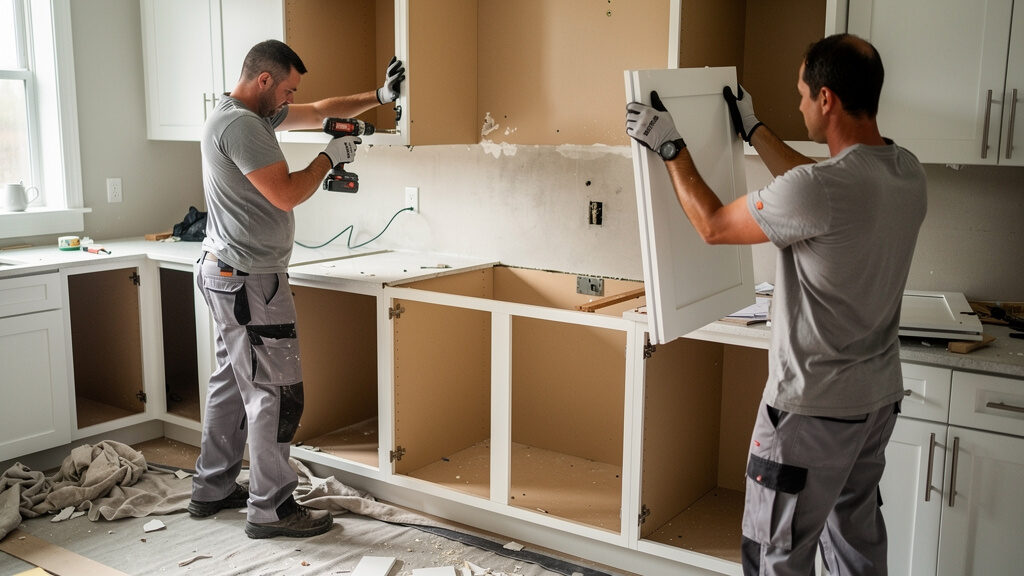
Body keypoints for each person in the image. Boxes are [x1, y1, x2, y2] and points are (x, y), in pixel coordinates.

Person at [626, 34, 927, 575]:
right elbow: (814, 186)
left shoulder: (820, 190)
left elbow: (715, 226)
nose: (800, 105)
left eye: (803, 95)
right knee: (854, 548)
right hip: (875, 403)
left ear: (827, 99)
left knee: (776, 555)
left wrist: (672, 148)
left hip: (810, 413)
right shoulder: (906, 172)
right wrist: (755, 129)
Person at [187, 39, 405, 539]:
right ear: (263, 80)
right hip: (249, 280)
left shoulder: (248, 115)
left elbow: (322, 110)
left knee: (231, 383)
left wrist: (381, 93)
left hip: (227, 273)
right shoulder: (243, 126)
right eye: (286, 89)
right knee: (276, 393)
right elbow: (285, 194)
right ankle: (272, 508)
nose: (290, 100)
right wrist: (329, 158)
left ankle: (213, 486)